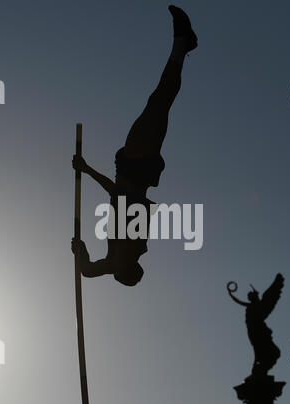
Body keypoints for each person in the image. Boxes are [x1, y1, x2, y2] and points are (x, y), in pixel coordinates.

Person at [72, 5, 198, 286]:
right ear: (125, 266)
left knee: (161, 101)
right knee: (160, 100)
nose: (111, 263)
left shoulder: (122, 253)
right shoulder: (129, 242)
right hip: (135, 169)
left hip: (136, 169)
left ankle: (182, 45)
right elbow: (117, 193)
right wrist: (86, 168)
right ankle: (182, 44)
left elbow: (90, 270)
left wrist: (80, 252)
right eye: (115, 265)